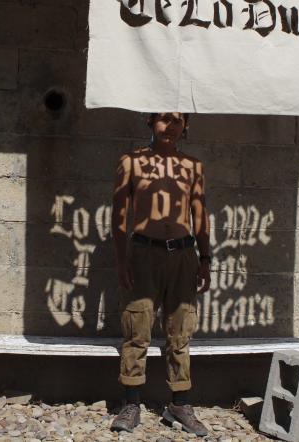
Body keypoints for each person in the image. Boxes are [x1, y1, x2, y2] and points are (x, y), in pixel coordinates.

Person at [110, 112, 212, 435]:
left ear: (185, 128)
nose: (170, 127)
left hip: (183, 255)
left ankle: (179, 403)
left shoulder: (193, 167)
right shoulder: (131, 162)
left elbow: (199, 214)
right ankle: (131, 403)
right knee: (136, 327)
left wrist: (205, 256)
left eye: (177, 121)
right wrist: (121, 258)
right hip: (142, 253)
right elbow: (118, 216)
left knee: (180, 331)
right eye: (164, 120)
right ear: (151, 122)